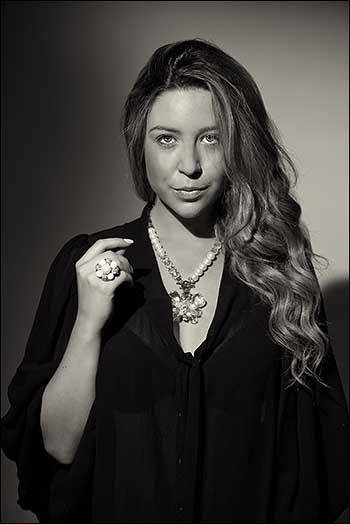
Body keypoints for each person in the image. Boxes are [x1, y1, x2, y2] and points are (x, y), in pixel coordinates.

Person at [1, 38, 349, 523]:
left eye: (211, 138)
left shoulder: (278, 275)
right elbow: (56, 449)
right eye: (166, 139)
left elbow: (314, 472)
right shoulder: (85, 264)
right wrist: (88, 324)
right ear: (138, 144)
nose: (190, 165)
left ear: (238, 144)